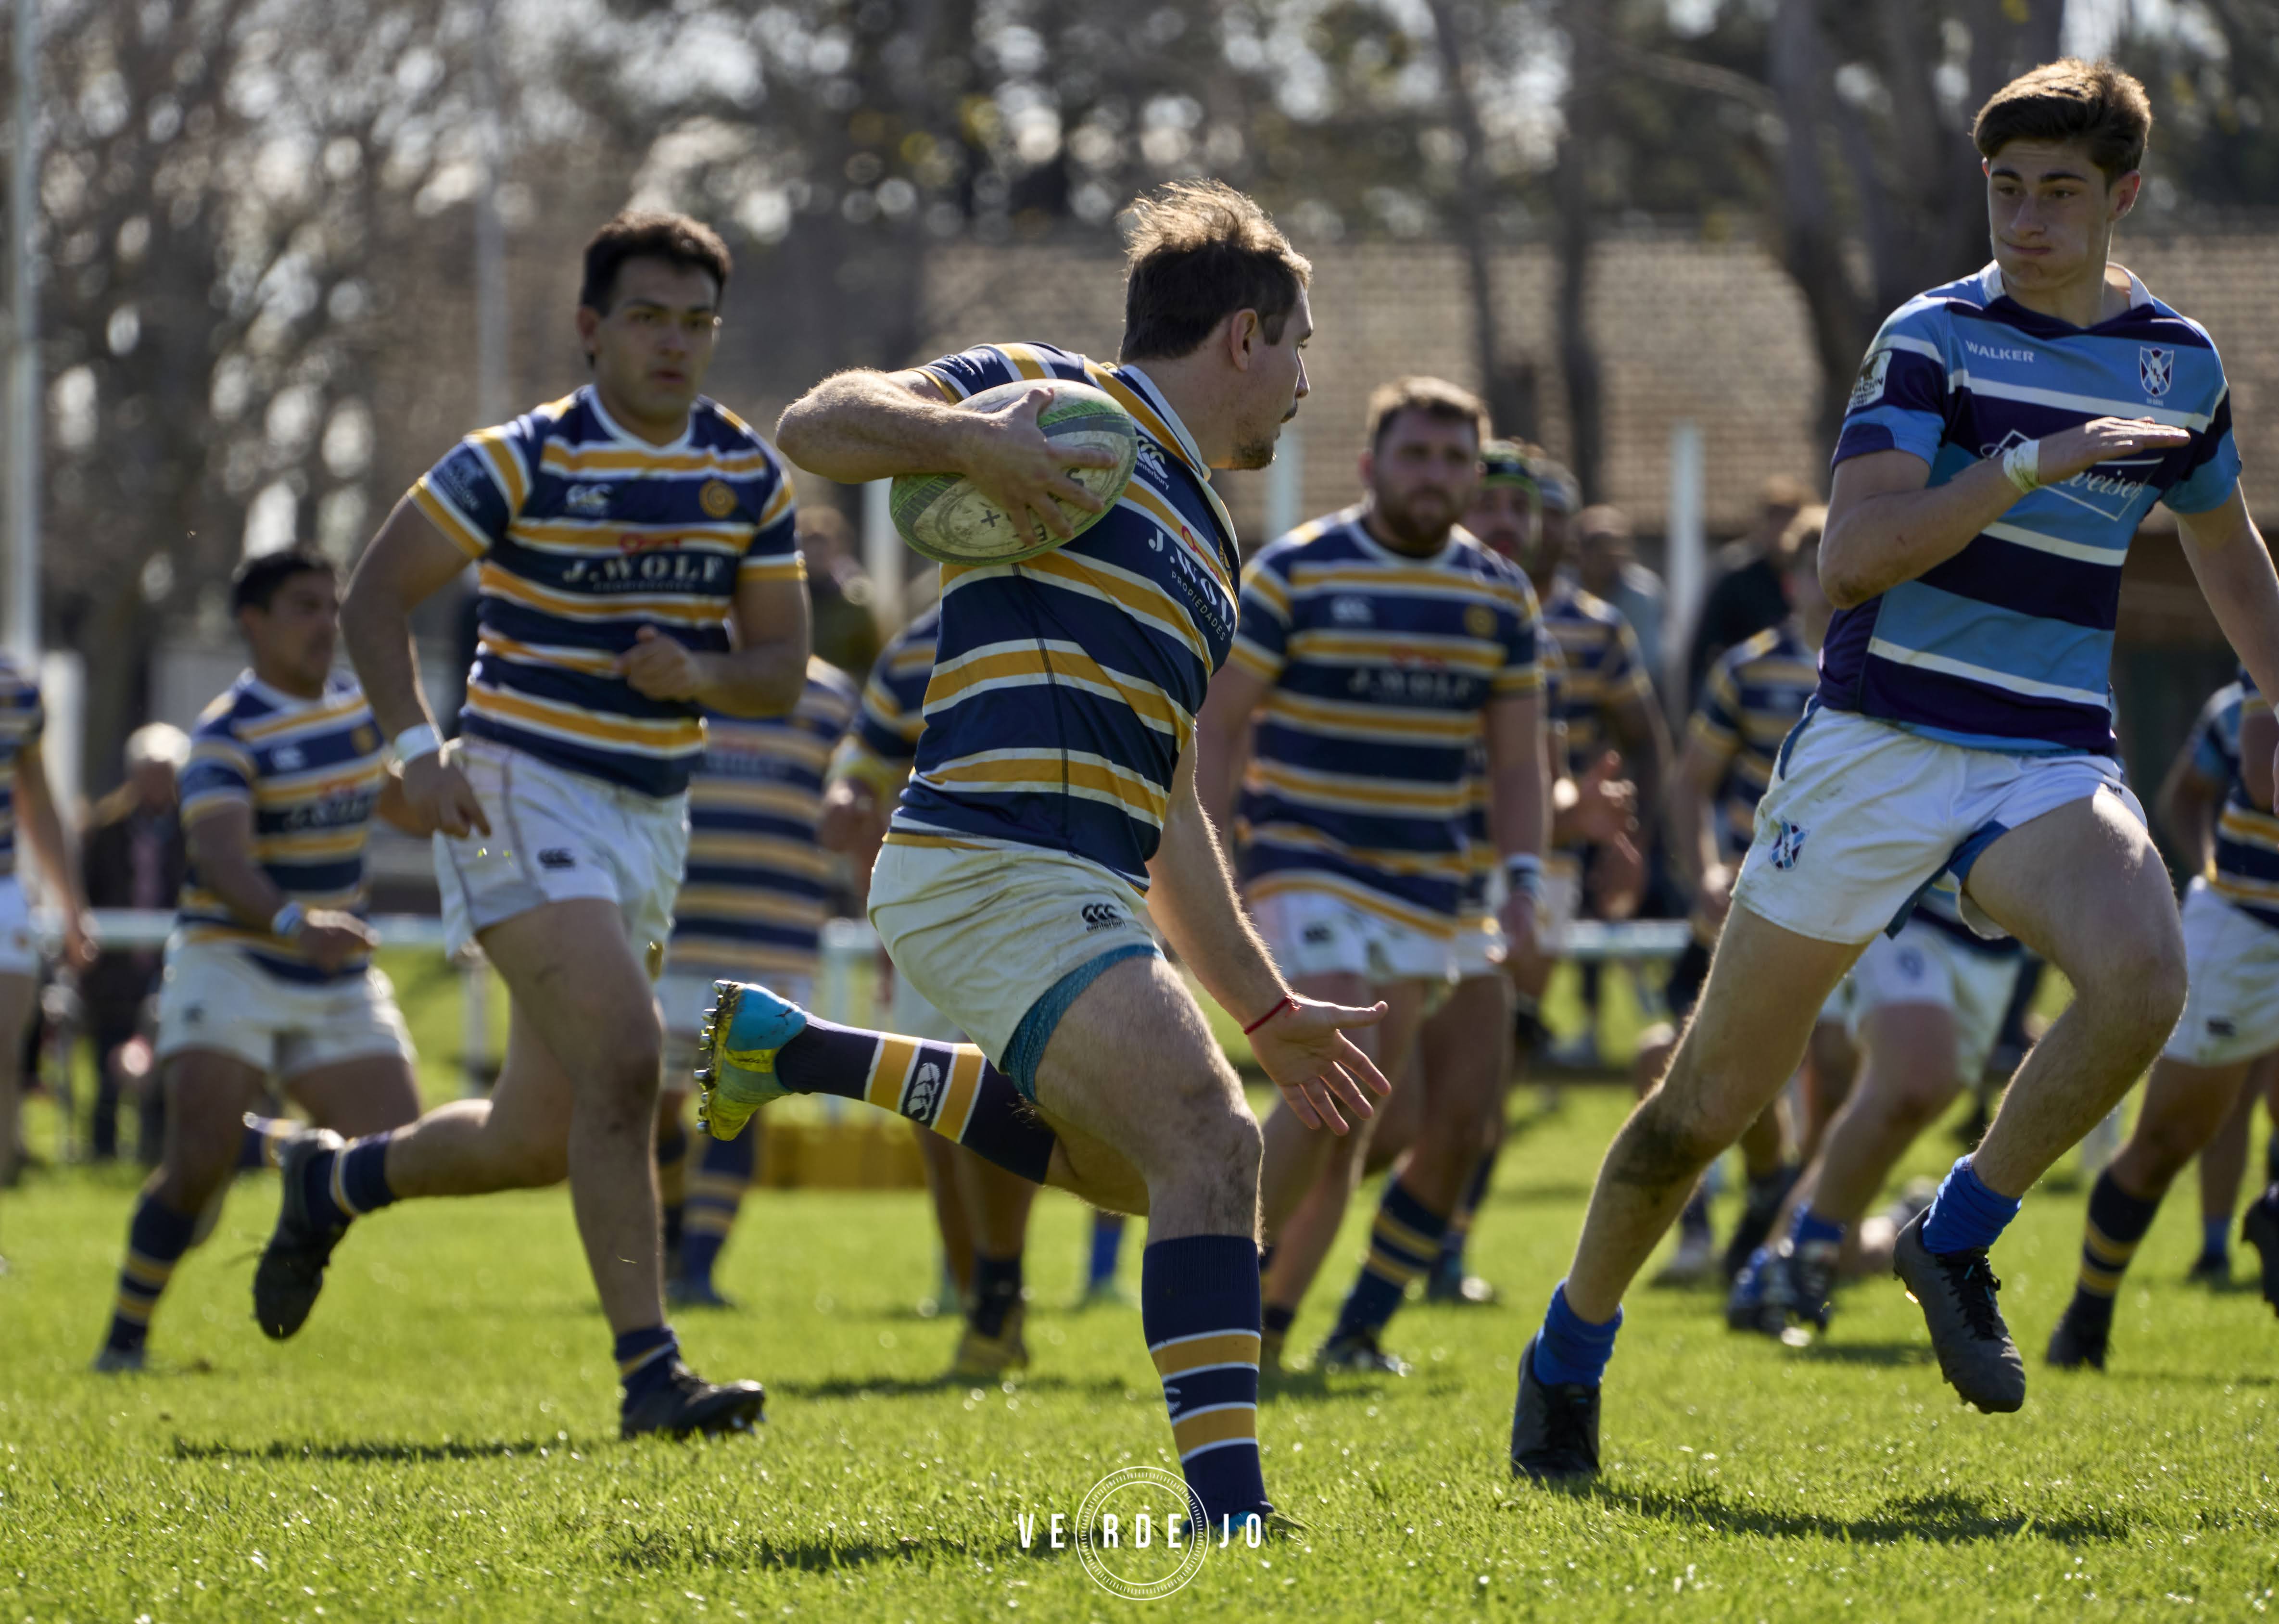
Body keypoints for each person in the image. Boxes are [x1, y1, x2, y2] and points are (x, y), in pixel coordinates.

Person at [1511, 60, 2279, 1479]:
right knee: (1696, 1114)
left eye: (2059, 192)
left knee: (2146, 976)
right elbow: (1851, 561)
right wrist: (2027, 467)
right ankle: (1566, 1346)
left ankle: (1953, 1232)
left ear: (2121, 196)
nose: (2027, 219)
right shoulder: (1931, 338)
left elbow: (2224, 549)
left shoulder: (2178, 363)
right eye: (2005, 190)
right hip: (1875, 749)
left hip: (2043, 754)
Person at [707, 179, 1392, 1537]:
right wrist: (964, 438)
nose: (1308, 383)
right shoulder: (1056, 399)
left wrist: (1263, 1009)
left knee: (1150, 1168)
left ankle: (803, 1054)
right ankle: (1232, 1518)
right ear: (1246, 338)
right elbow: (815, 419)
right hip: (991, 854)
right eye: (1302, 346)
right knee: (1210, 1142)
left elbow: (1174, 805)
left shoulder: (1215, 544)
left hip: (1067, 873)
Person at [260, 210, 812, 1439]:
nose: (674, 344)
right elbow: (374, 596)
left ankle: (332, 1178)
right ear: (589, 328)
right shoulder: (520, 457)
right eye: (647, 318)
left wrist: (702, 678)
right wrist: (417, 753)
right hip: (518, 785)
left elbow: (779, 668)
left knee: (534, 1136)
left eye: (695, 323)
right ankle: (650, 1375)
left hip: (649, 818)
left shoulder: (746, 474)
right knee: (626, 1056)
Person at [1192, 376, 1548, 1374]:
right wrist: (1209, 856)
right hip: (1308, 863)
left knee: (1468, 1115)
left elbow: (1519, 761)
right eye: (1414, 456)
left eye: (1451, 459)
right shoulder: (1296, 570)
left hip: (1439, 880)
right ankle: (1215, 1289)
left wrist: (1524, 878)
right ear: (1369, 465)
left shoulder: (1496, 592)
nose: (1433, 476)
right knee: (1338, 1087)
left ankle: (1332, 1327)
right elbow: (1218, 724)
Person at [92, 548, 425, 1372]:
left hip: (331, 967)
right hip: (229, 957)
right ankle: (125, 1339)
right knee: (197, 1162)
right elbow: (221, 858)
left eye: (332, 606)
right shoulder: (224, 734)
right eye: (305, 606)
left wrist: (465, 800)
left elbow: (390, 799)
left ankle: (297, 1173)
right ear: (255, 621)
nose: (326, 624)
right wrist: (292, 920)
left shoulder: (357, 712)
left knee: (401, 1139)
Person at [817, 599, 1048, 1380]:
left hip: (1046, 896)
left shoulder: (1073, 609)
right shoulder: (921, 643)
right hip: (932, 908)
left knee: (1008, 1098)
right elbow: (869, 747)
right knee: (937, 1114)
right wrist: (850, 790)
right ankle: (982, 1301)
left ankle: (998, 1287)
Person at [2044, 667, 2279, 1369]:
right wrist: (2206, 862)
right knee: (2168, 1139)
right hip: (2242, 930)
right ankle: (2087, 1314)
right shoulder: (2268, 632)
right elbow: (2268, 781)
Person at [1649, 514, 1833, 1285]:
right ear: (1794, 581)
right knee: (1680, 1059)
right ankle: (1718, 1218)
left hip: (1842, 913)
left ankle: (1796, 1220)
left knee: (1832, 1068)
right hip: (1743, 906)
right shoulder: (1749, 669)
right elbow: (1691, 784)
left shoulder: (1897, 676)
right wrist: (1706, 871)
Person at [653, 657, 859, 1309]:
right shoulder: (678, 674)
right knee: (651, 1104)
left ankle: (698, 1270)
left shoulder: (832, 699)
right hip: (672, 928)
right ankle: (672, 1250)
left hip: (777, 931)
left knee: (733, 1102)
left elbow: (861, 797)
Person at [2150, 674, 2279, 1282]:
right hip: (2243, 930)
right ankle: (2213, 1247)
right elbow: (2185, 794)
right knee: (2229, 1099)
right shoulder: (2233, 710)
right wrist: (2207, 866)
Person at [0, 651, 92, 1196]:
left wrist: (72, 906)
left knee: (5, 1054)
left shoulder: (17, 690)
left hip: (4, 884)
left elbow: (35, 799)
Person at [80, 723, 190, 1164]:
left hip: (174, 967)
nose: (156, 782)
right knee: (108, 1062)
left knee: (167, 1065)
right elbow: (87, 891)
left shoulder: (194, 829)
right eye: (148, 771)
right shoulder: (105, 828)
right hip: (114, 971)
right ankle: (102, 1151)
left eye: (164, 772)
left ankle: (156, 1151)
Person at [1685, 475, 1814, 701]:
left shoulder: (1828, 575)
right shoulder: (1734, 576)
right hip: (1746, 701)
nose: (1782, 527)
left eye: (1790, 516)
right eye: (1774, 516)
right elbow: (1703, 652)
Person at [1573, 505, 1668, 679]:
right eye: (1595, 544)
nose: (1607, 552)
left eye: (1615, 544)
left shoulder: (1643, 595)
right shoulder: (1565, 588)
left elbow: (1648, 666)